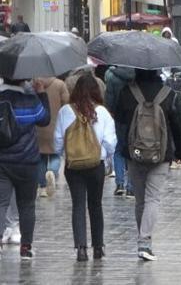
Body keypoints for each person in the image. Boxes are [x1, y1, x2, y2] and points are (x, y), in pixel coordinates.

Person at [114, 68, 181, 261]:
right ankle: (144, 241)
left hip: (134, 154)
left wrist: (124, 149)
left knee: (140, 201)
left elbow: (119, 124)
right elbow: (179, 126)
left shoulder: (127, 92)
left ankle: (143, 241)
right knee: (153, 199)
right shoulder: (168, 94)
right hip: (160, 155)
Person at [53, 74, 116, 262]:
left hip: (73, 166)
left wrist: (65, 154)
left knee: (78, 204)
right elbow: (110, 142)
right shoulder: (102, 112)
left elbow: (58, 140)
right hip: (96, 165)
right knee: (95, 205)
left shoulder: (66, 111)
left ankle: (81, 247)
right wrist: (103, 155)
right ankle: (98, 247)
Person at [0, 77, 50, 259]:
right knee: (27, 205)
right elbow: (44, 119)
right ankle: (26, 247)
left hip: (3, 161)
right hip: (27, 161)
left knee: (1, 203)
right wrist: (41, 93)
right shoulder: (30, 100)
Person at [33, 77, 70, 197]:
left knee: (41, 157)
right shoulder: (60, 84)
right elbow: (66, 103)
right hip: (56, 125)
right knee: (55, 154)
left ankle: (43, 187)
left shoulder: (34, 83)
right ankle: (52, 172)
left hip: (39, 126)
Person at [104, 66, 135, 197]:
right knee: (133, 150)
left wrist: (112, 113)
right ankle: (131, 187)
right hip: (135, 117)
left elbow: (109, 101)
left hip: (119, 117)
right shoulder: (136, 76)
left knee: (119, 149)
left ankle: (120, 184)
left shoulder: (112, 78)